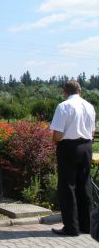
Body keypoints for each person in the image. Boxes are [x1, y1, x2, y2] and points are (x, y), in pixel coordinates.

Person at [50, 80, 96, 236]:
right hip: (86, 146)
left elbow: (57, 134)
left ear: (65, 92)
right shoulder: (90, 107)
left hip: (68, 147)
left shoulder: (64, 106)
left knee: (67, 187)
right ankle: (86, 225)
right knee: (84, 185)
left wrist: (56, 141)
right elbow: (92, 132)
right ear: (80, 91)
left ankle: (71, 227)